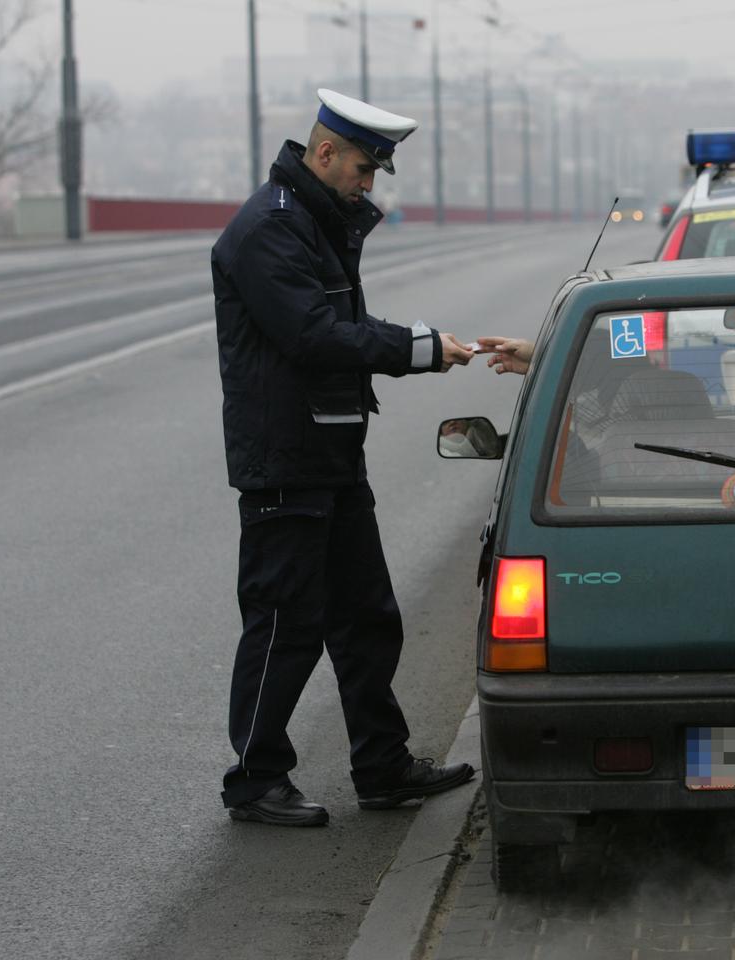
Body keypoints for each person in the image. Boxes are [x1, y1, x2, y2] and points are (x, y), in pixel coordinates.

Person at [210, 88, 476, 827]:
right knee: (284, 624)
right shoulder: (268, 229)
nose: (368, 184)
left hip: (329, 453)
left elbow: (342, 323)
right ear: (324, 153)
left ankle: (382, 767)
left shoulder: (314, 224)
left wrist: (420, 341)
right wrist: (418, 350)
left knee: (366, 617)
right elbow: (315, 334)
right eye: (363, 169)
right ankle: (255, 781)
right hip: (286, 460)